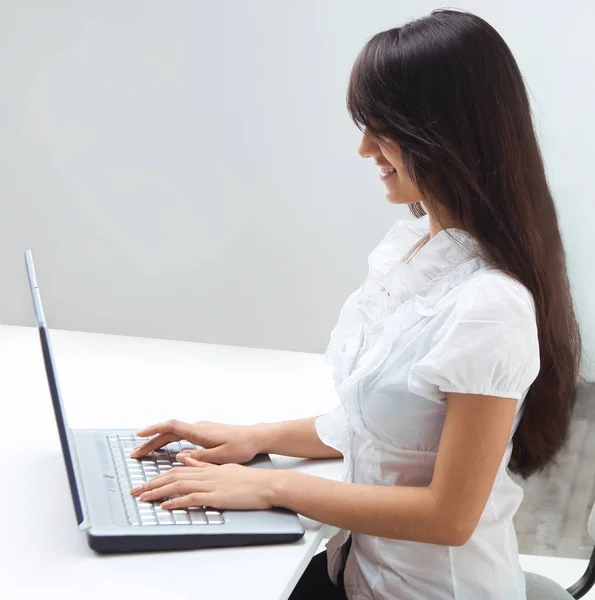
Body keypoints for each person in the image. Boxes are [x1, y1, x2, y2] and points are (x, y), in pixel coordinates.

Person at [128, 9, 582, 600]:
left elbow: (449, 516)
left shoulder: (488, 304)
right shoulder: (419, 253)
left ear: (446, 135)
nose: (364, 147)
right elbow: (382, 424)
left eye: (382, 129)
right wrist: (254, 438)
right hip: (361, 572)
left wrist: (271, 488)